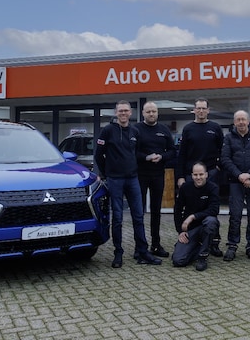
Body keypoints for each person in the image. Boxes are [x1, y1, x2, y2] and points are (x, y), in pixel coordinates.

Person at [95, 100, 162, 268]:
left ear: (131, 113)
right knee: (117, 218)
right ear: (116, 113)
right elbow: (98, 155)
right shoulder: (108, 131)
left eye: (126, 111)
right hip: (115, 180)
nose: (123, 113)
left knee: (138, 216)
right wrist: (105, 174)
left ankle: (142, 252)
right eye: (121, 111)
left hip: (133, 179)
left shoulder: (134, 131)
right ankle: (118, 253)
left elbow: (136, 153)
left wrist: (147, 157)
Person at [175, 97, 225, 257]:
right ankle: (191, 236)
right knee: (192, 207)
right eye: (199, 108)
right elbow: (181, 155)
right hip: (191, 175)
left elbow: (223, 150)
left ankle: (214, 242)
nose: (201, 111)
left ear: (208, 110)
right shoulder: (188, 129)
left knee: (212, 211)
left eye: (204, 108)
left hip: (211, 173)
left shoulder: (215, 128)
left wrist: (218, 167)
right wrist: (180, 176)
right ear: (194, 110)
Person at [221, 110, 250, 262]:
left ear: (248, 121)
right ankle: (232, 245)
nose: (241, 122)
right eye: (238, 120)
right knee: (235, 214)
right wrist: (239, 175)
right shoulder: (229, 137)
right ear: (235, 122)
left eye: (243, 119)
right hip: (236, 181)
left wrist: (249, 174)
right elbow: (225, 159)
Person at [135, 101, 177, 258]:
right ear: (143, 113)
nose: (151, 114)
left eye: (153, 111)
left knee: (156, 211)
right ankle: (139, 247)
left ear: (157, 113)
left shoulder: (164, 130)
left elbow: (172, 151)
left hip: (158, 174)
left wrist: (162, 157)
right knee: (138, 211)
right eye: (148, 111)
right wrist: (146, 157)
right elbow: (132, 152)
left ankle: (156, 244)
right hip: (140, 175)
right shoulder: (136, 129)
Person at [172, 162, 221, 271]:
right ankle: (199, 247)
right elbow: (177, 210)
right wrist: (180, 231)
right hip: (191, 230)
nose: (198, 177)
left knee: (211, 221)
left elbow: (214, 210)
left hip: (205, 227)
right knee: (178, 261)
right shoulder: (185, 188)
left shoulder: (213, 188)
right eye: (195, 175)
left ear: (206, 174)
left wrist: (193, 216)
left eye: (201, 174)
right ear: (191, 175)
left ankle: (203, 257)